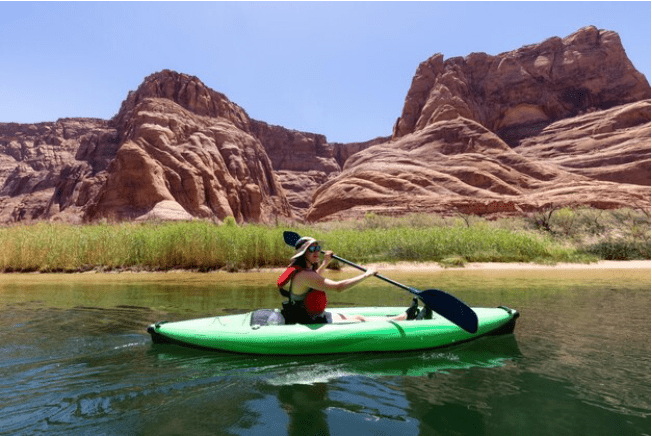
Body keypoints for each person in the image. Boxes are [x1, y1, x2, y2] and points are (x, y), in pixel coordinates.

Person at [278, 236, 421, 325]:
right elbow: (338, 287)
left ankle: (401, 317)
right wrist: (366, 275)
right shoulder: (305, 275)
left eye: (317, 248)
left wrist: (325, 262)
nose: (316, 252)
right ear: (303, 254)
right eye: (311, 249)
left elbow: (315, 281)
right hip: (308, 320)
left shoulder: (306, 272)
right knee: (359, 320)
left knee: (352, 316)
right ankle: (404, 317)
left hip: (312, 315)